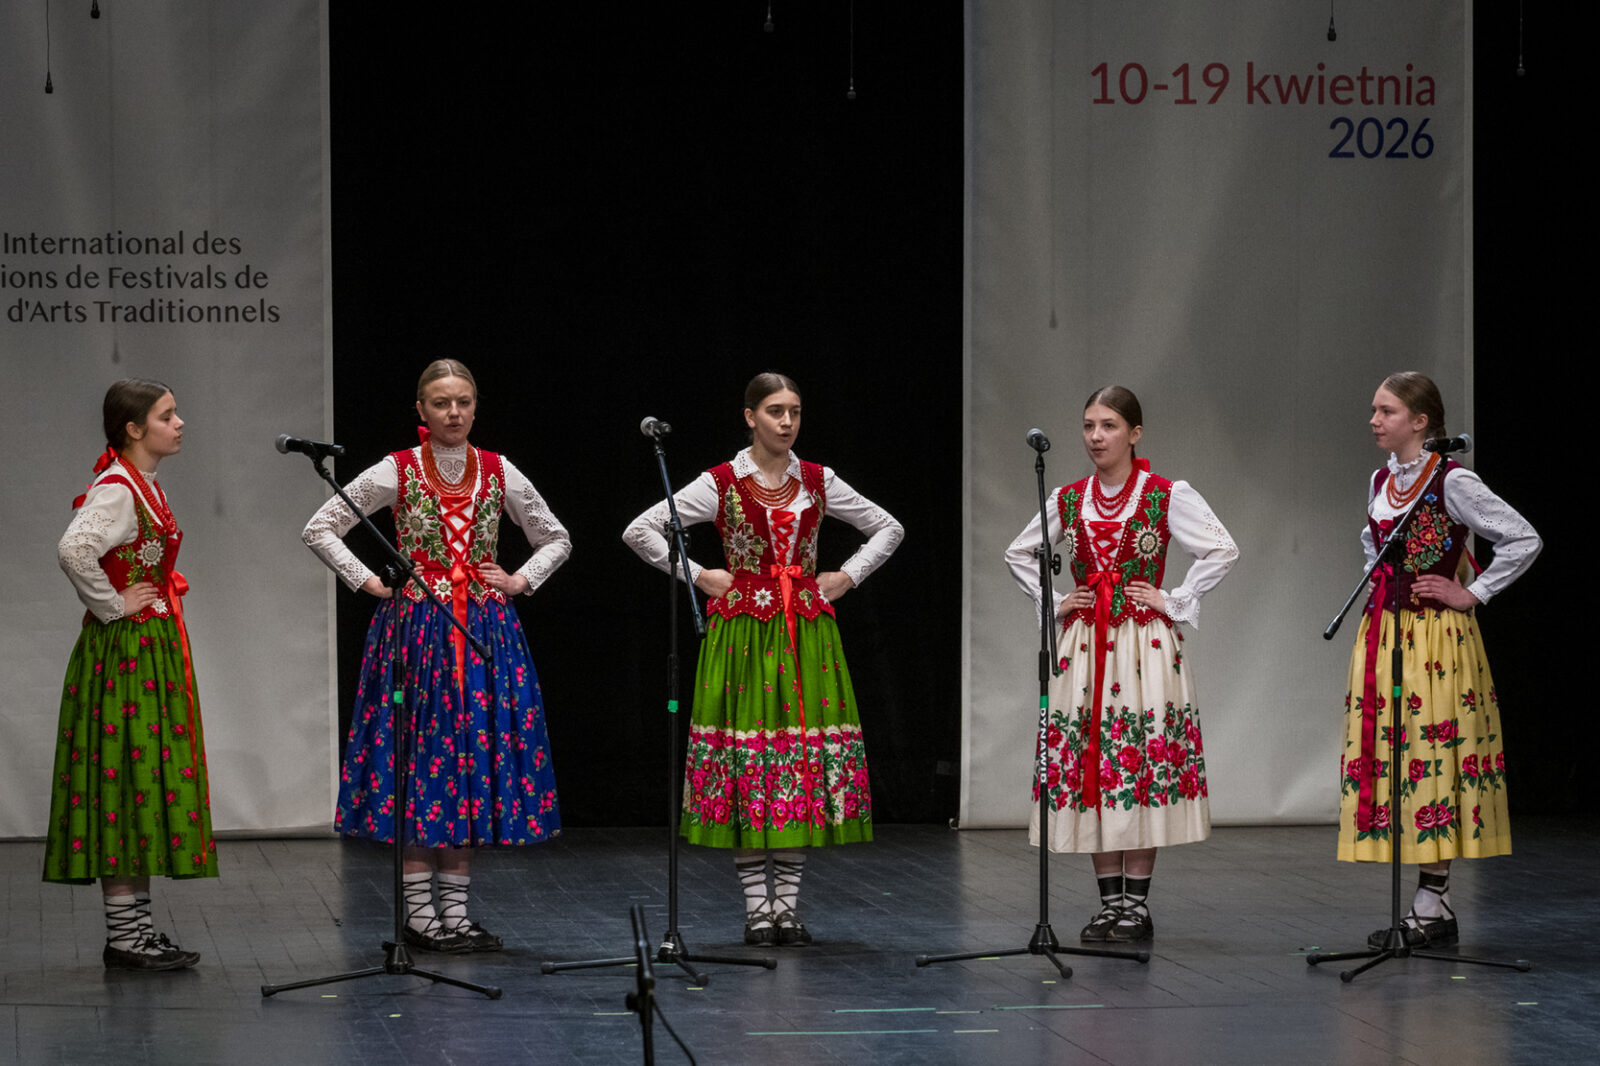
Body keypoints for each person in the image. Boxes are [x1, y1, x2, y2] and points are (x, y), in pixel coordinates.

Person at [623, 372, 903, 946]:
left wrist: (847, 576)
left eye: (795, 411)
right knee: (750, 763)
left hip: (805, 632)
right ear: (750, 417)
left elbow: (887, 527)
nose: (787, 421)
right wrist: (699, 574)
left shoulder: (818, 480)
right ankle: (757, 909)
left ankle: (787, 909)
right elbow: (640, 530)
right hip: (745, 635)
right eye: (775, 411)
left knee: (795, 762)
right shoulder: (722, 482)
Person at [302, 359, 569, 953]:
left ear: (475, 407)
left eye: (464, 402)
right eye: (442, 403)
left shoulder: (498, 470)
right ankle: (421, 916)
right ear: (421, 410)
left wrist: (519, 581)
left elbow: (556, 537)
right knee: (422, 762)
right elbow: (320, 527)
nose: (454, 413)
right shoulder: (397, 469)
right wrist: (370, 582)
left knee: (470, 761)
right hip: (419, 631)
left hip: (484, 629)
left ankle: (457, 913)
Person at [1004, 386, 1237, 942]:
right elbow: (1018, 552)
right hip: (1086, 644)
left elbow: (1221, 548)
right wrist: (1057, 600)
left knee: (1137, 759)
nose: (1095, 436)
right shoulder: (1068, 498)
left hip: (1142, 646)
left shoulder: (1164, 494)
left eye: (1108, 425)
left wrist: (1173, 600)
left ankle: (1137, 903)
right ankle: (1110, 902)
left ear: (1134, 434)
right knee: (1096, 760)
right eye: (1089, 425)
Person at [1341, 371, 1539, 947]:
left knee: (1434, 753)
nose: (1375, 421)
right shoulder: (1382, 480)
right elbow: (1373, 548)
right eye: (1375, 410)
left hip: (1437, 640)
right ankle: (1431, 902)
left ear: (1420, 421)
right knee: (1397, 755)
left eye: (1386, 411)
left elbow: (1522, 538)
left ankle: (1433, 900)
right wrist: (1381, 585)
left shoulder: (1454, 481)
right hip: (1387, 632)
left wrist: (1472, 592)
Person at [45, 379, 217, 970]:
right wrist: (113, 604)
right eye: (167, 415)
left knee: (140, 778)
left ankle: (135, 930)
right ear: (134, 428)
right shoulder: (118, 488)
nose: (179, 423)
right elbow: (74, 549)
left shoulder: (141, 483)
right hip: (126, 654)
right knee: (123, 778)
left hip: (147, 649)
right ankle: (125, 936)